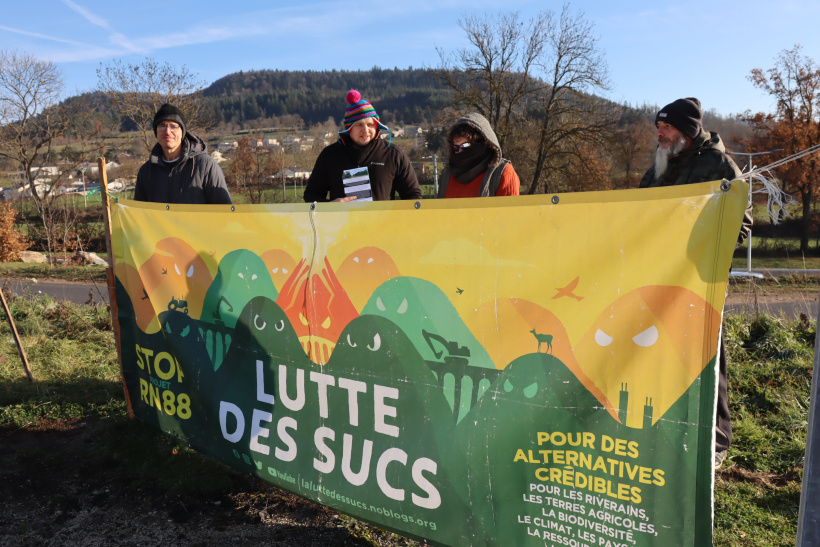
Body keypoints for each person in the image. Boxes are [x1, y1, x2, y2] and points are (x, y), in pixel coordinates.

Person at [639, 97, 747, 470]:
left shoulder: (719, 166)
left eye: (666, 128)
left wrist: (705, 250)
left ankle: (716, 442)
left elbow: (742, 224)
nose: (660, 134)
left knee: (707, 357)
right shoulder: (658, 165)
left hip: (697, 281)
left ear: (686, 131)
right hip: (657, 279)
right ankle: (665, 428)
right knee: (661, 354)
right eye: (659, 127)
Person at [303, 90, 422, 202]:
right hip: (343, 223)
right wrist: (330, 206)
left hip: (383, 224)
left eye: (370, 124)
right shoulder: (330, 155)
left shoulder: (393, 154)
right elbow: (311, 195)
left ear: (376, 126)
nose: (365, 130)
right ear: (349, 128)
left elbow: (413, 196)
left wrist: (395, 219)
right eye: (359, 125)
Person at [135, 103, 231, 204]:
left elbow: (225, 211)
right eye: (162, 126)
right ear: (156, 132)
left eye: (173, 126)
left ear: (182, 132)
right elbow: (138, 214)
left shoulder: (206, 165)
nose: (167, 131)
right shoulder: (146, 172)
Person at [437, 113, 520, 198]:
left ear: (482, 144)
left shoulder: (503, 173)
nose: (460, 152)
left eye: (465, 146)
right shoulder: (448, 174)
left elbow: (510, 210)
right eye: (456, 147)